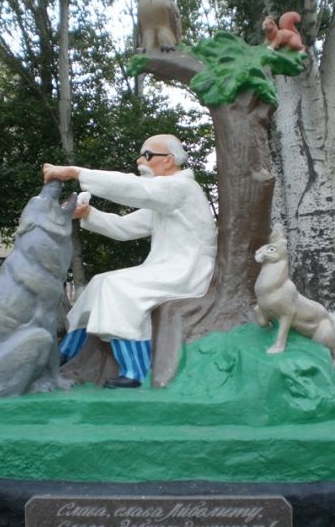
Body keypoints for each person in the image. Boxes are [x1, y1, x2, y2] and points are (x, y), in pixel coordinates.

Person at [43, 134, 217, 388]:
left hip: (188, 270)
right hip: (167, 268)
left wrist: (75, 173)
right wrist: (89, 213)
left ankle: (135, 369)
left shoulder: (180, 189)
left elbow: (136, 189)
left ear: (168, 161)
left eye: (146, 155)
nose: (139, 161)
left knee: (119, 288)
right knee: (99, 283)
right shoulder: (165, 197)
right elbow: (125, 228)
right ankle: (67, 352)